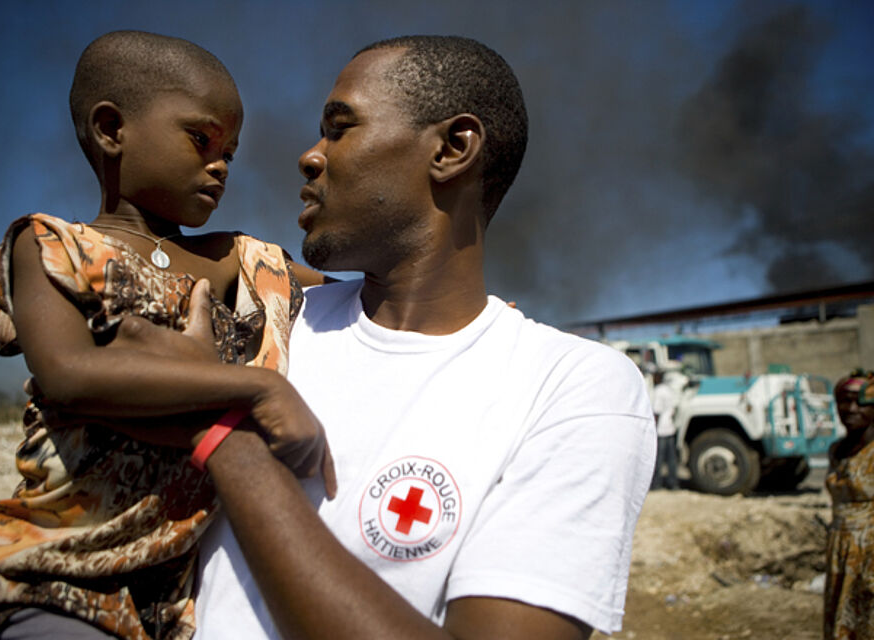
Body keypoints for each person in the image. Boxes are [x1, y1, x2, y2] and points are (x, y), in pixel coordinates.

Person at [116, 35, 656, 639]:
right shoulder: (265, 322)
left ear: (453, 149)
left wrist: (224, 437)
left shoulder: (568, 388)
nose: (309, 156)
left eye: (339, 128)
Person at [0, 31, 334, 640]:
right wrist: (254, 390)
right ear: (112, 130)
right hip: (60, 571)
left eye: (230, 154)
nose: (219, 165)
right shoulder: (53, 246)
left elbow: (362, 294)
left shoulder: (242, 260)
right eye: (201, 139)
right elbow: (69, 374)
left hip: (180, 592)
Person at [825, 369, 874, 639]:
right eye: (845, 400)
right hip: (840, 550)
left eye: (861, 402)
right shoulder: (835, 451)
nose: (852, 409)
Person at [651, 370, 681, 490]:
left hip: (661, 430)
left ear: (658, 377)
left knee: (658, 459)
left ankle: (656, 484)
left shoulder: (658, 391)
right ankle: (673, 483)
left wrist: (653, 428)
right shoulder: (669, 390)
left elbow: (656, 411)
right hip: (670, 428)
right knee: (671, 460)